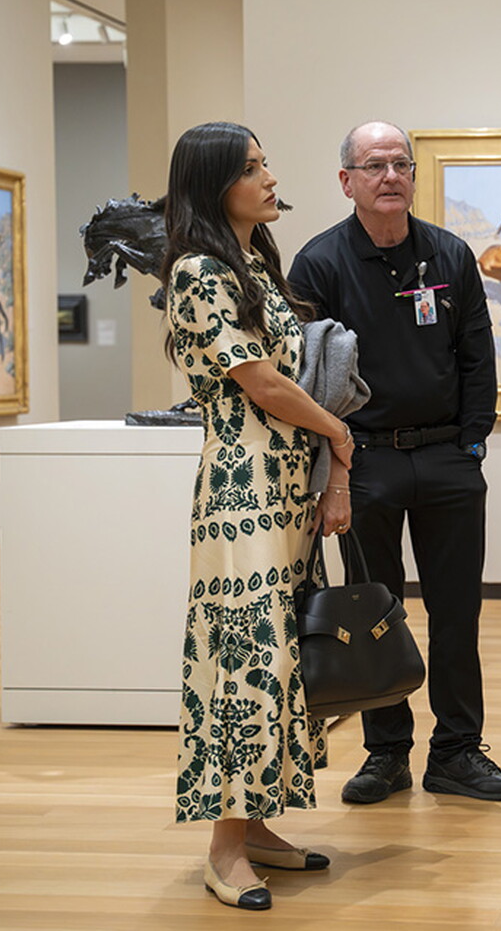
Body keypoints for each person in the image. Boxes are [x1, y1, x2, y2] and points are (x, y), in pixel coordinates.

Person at [287, 121, 501, 805]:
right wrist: (337, 463)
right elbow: (309, 378)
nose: (389, 176)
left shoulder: (449, 254)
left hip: (448, 459)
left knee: (458, 613)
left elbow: (477, 357)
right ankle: (385, 751)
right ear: (347, 182)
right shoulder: (319, 264)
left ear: (413, 175)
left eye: (400, 164)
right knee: (372, 610)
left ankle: (455, 750)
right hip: (363, 463)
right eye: (373, 166)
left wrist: (472, 444)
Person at [161, 121, 357, 911]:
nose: (270, 177)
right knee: (245, 659)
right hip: (241, 494)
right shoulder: (198, 271)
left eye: (266, 161)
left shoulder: (252, 265)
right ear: (216, 187)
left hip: (280, 491)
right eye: (252, 167)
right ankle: (224, 846)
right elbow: (262, 382)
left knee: (282, 660)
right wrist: (339, 432)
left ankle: (259, 825)